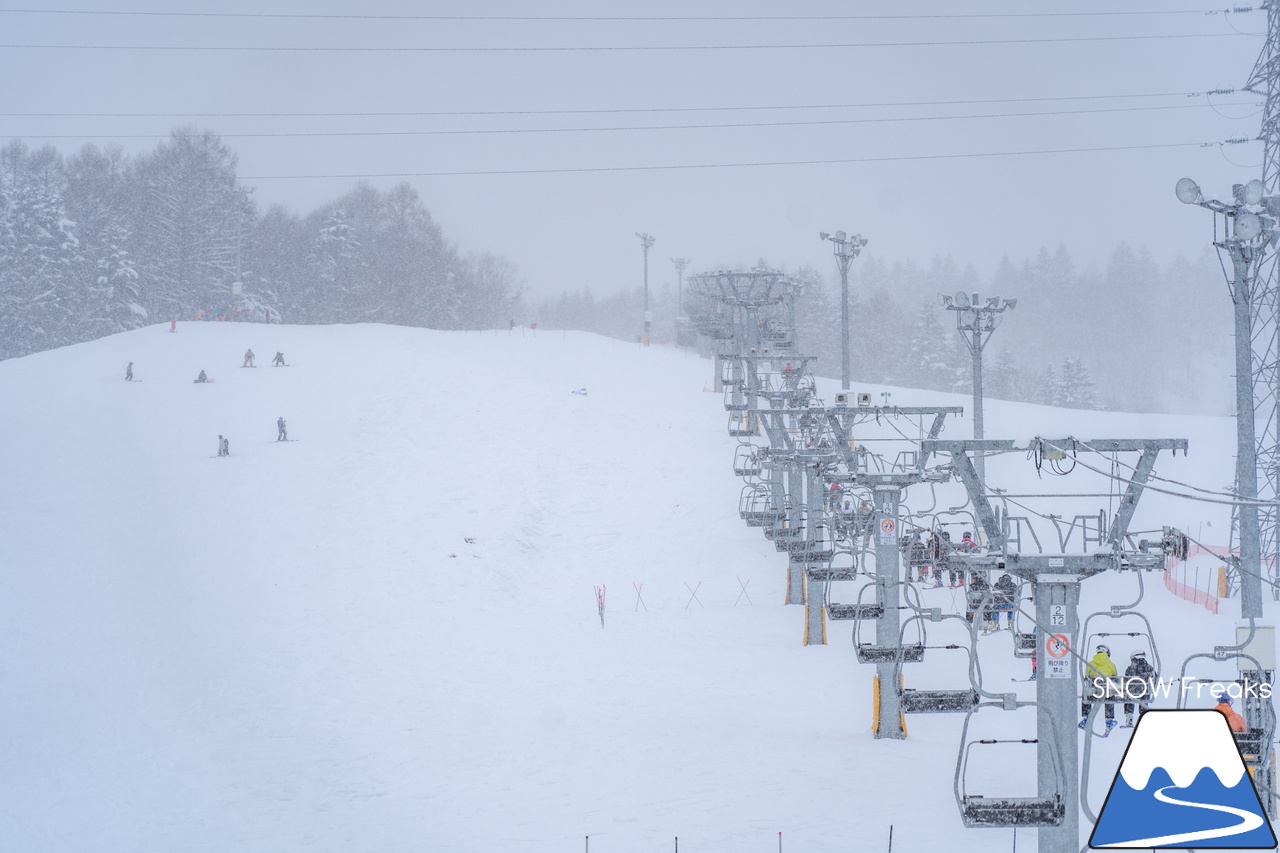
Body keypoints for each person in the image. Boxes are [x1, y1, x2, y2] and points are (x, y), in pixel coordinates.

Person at [1080, 645, 1119, 733]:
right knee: (1110, 694)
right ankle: (1109, 721)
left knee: (1085, 694)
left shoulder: (1090, 664)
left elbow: (1086, 677)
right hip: (1107, 695)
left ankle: (1086, 718)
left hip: (1094, 694)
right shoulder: (1111, 665)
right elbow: (1115, 678)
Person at [1122, 651, 1156, 727]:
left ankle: (1129, 717)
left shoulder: (1131, 668)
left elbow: (1126, 680)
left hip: (1133, 691)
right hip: (1145, 692)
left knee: (1128, 699)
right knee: (1144, 702)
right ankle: (1143, 718)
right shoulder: (1149, 667)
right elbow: (1155, 677)